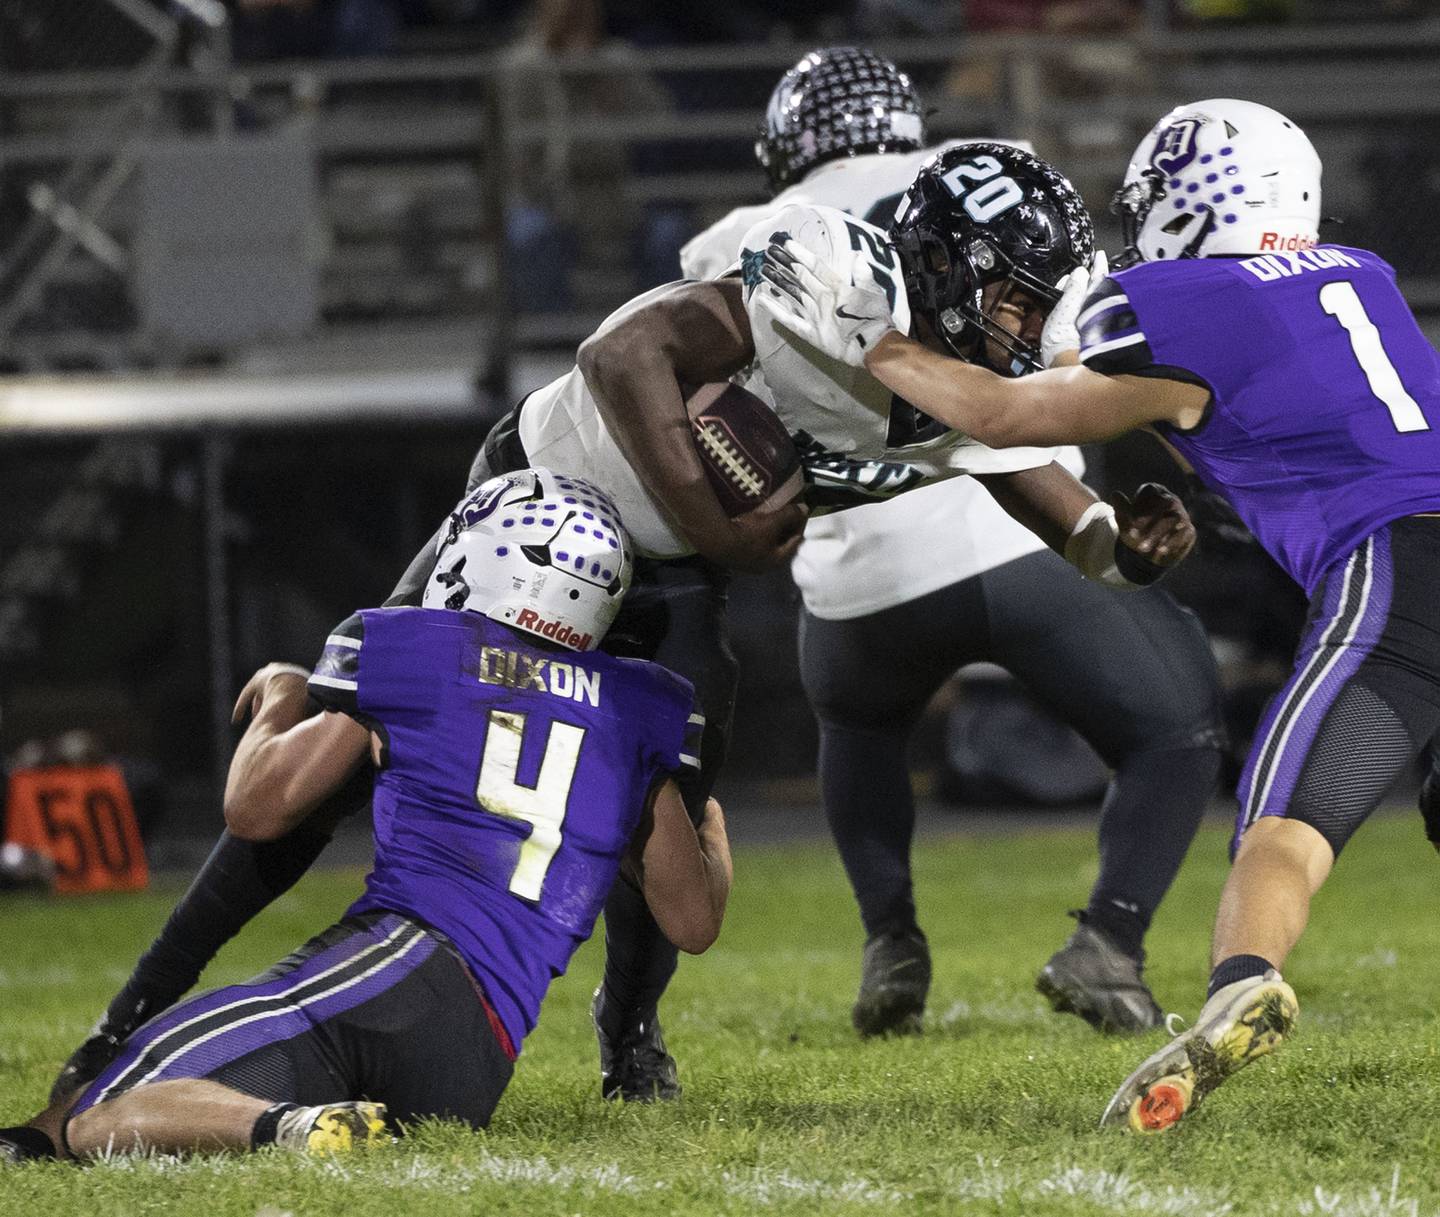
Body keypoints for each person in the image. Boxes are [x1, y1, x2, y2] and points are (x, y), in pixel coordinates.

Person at [51, 129, 1195, 1112]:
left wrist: (1125, 547)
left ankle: (629, 1031)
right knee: (339, 747)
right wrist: (721, 520)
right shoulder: (846, 278)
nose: (1030, 329)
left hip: (676, 568)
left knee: (669, 804)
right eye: (1013, 300)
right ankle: (137, 1004)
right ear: (943, 263)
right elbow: (625, 350)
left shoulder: (974, 389)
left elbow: (1067, 514)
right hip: (538, 507)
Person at [762, 97, 1440, 1129]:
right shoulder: (1364, 276)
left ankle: (1239, 984)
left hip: (1402, 564)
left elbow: (1004, 414)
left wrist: (880, 345)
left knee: (1281, 825)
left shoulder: (1178, 302)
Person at [682, 46, 1224, 1037]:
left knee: (859, 727)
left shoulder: (741, 236)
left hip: (855, 572)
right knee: (1175, 722)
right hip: (1022, 524)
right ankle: (1108, 938)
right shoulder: (1000, 176)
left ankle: (892, 937)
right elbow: (1077, 356)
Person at [2, 469, 731, 1162]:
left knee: (97, 1115)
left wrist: (285, 695)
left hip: (398, 967)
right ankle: (297, 1122)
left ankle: (295, 1129)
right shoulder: (642, 703)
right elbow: (692, 923)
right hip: (481, 1053)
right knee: (132, 1109)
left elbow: (258, 808)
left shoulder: (418, 648)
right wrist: (713, 840)